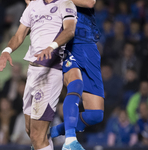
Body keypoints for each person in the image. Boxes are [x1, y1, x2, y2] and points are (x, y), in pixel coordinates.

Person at [0, 0, 77, 149]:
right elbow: (19, 35)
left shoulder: (65, 3)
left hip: (50, 71)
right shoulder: (34, 5)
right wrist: (6, 51)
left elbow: (70, 30)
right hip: (32, 72)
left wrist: (51, 46)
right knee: (30, 131)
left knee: (37, 135)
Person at [36, 0, 105, 150]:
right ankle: (70, 140)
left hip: (89, 45)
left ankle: (52, 132)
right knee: (76, 83)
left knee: (96, 114)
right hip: (67, 41)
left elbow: (90, 2)